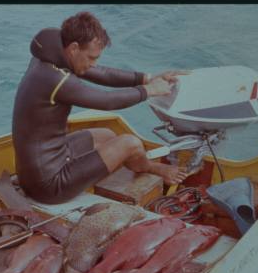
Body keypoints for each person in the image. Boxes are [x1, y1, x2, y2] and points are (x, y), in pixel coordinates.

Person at [12, 11, 188, 204]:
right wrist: (149, 90)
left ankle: (136, 165)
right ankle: (150, 167)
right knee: (130, 143)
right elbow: (107, 101)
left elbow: (100, 73)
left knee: (106, 135)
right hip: (49, 186)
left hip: (42, 165)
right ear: (73, 48)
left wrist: (148, 77)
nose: (93, 64)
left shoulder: (50, 50)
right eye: (91, 57)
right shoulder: (56, 80)